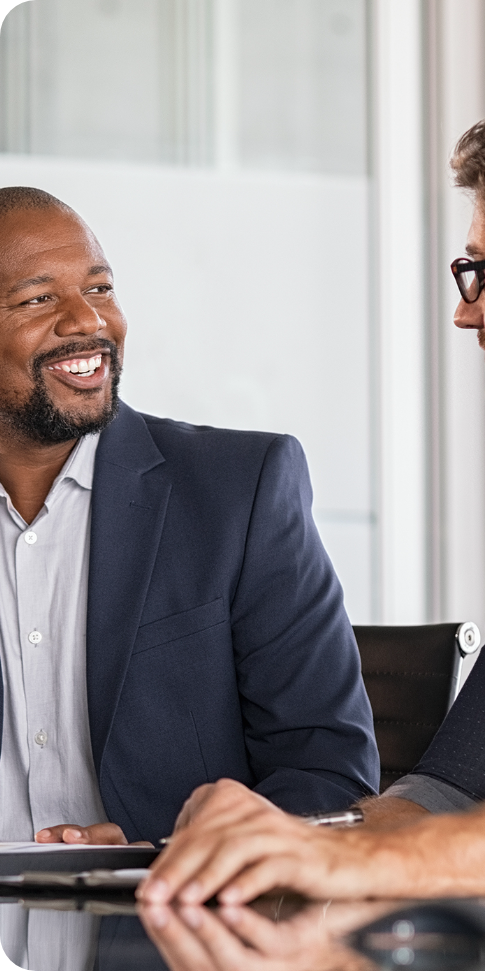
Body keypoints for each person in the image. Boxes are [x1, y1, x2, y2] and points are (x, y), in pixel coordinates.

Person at [139, 87, 485, 904]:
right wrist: (285, 840)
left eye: (482, 272)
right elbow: (450, 790)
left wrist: (354, 864)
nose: (466, 315)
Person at [0, 185, 379, 848]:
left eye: (99, 288)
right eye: (38, 298)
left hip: (168, 925)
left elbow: (329, 772)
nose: (86, 321)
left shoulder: (240, 492)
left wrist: (167, 850)